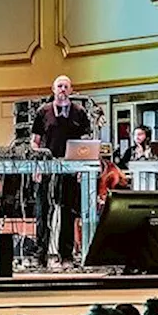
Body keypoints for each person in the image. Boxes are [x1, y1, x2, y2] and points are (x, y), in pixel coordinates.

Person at [30, 75, 93, 264]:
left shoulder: (79, 112)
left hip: (70, 169)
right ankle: (40, 255)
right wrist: (37, 164)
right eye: (59, 86)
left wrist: (82, 167)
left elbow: (86, 141)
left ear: (71, 90)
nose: (63, 89)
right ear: (53, 89)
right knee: (43, 212)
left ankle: (66, 255)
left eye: (66, 86)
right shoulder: (43, 111)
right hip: (47, 168)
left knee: (68, 212)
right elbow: (35, 141)